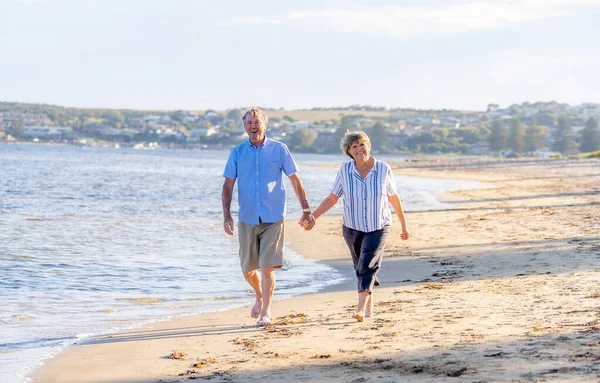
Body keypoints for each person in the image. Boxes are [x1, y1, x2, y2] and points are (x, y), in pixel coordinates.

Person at [302, 131, 409, 322]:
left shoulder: (384, 169)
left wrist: (403, 225)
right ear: (349, 151)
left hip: (379, 225)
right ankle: (369, 302)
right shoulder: (345, 171)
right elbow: (333, 197)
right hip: (352, 227)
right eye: (354, 146)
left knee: (366, 265)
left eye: (362, 144)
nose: (359, 149)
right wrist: (314, 217)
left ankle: (360, 310)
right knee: (361, 266)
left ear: (368, 145)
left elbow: (393, 197)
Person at [222, 107, 315, 326]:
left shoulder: (279, 150)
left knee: (266, 267)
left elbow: (294, 179)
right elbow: (228, 185)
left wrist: (306, 209)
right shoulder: (237, 152)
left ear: (265, 124)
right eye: (249, 123)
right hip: (247, 216)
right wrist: (227, 216)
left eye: (256, 122)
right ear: (244, 126)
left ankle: (266, 312)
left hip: (273, 217)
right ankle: (260, 294)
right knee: (247, 269)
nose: (253, 126)